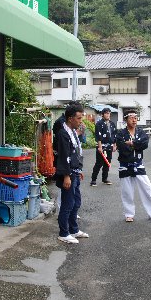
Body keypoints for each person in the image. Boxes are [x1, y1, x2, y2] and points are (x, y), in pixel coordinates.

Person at [115, 110, 151, 222]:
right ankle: (129, 214)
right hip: (125, 165)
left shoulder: (141, 132)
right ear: (125, 120)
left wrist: (132, 144)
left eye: (136, 117)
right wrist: (135, 145)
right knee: (127, 191)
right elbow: (122, 147)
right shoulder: (120, 134)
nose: (134, 120)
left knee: (147, 188)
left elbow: (145, 144)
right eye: (131, 117)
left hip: (138, 164)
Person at [53, 103, 89, 244]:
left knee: (75, 202)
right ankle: (63, 233)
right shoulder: (63, 133)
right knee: (67, 204)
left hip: (74, 172)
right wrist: (66, 176)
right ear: (70, 118)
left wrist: (78, 170)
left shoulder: (72, 131)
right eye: (79, 118)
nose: (81, 121)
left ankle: (74, 229)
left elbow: (75, 153)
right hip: (67, 174)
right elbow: (64, 156)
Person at [91, 107, 117, 186]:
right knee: (99, 163)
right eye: (105, 113)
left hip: (110, 146)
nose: (107, 115)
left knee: (107, 163)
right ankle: (93, 179)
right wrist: (100, 147)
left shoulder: (112, 124)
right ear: (103, 115)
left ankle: (104, 178)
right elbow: (98, 136)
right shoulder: (99, 123)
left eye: (108, 113)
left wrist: (115, 145)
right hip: (102, 146)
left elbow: (115, 135)